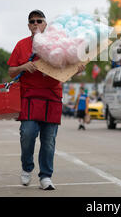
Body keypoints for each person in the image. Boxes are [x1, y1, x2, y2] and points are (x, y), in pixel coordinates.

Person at [7, 10, 85, 191]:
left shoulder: (58, 44)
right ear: (28, 26)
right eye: (32, 21)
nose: (35, 24)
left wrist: (78, 69)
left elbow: (69, 66)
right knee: (27, 133)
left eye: (39, 21)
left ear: (45, 25)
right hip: (29, 96)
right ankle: (27, 168)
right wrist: (22, 66)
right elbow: (11, 71)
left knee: (49, 140)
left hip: (52, 96)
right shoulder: (21, 45)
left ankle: (46, 176)